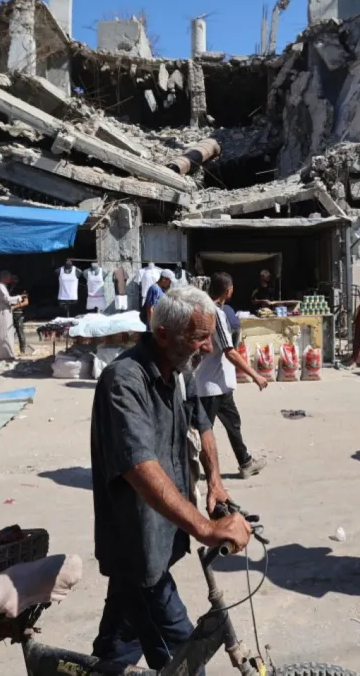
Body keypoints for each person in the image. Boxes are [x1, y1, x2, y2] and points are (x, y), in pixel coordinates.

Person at [90, 286, 251, 669]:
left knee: (118, 648)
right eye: (198, 338)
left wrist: (215, 482)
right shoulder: (124, 381)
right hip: (139, 545)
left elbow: (203, 424)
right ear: (163, 334)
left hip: (158, 543)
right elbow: (139, 467)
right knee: (183, 656)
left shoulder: (179, 372)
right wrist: (205, 529)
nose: (208, 349)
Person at [196, 273, 269, 479]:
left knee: (232, 423)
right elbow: (230, 351)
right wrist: (256, 375)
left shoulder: (205, 309)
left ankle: (245, 462)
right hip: (210, 385)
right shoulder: (216, 313)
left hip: (219, 384)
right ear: (228, 290)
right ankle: (190, 469)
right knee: (202, 431)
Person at [0, 271, 22, 361]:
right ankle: (7, 354)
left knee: (6, 333)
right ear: (4, 278)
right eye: (9, 277)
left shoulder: (3, 286)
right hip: (2, 314)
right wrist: (18, 297)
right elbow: (7, 299)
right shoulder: (1, 287)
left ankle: (4, 353)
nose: (10, 279)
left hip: (5, 313)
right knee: (4, 333)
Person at [10, 274, 29, 355]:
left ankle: (22, 351)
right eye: (12, 279)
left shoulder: (22, 289)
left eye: (15, 279)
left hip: (18, 313)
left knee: (19, 331)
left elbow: (26, 302)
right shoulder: (7, 288)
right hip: (9, 313)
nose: (13, 280)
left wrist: (15, 307)